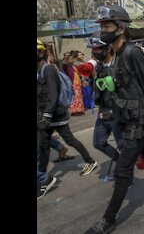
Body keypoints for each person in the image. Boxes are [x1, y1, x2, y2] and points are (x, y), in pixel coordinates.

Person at [85, 5, 144, 234]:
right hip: (129, 120)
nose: (103, 31)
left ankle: (108, 220)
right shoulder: (117, 55)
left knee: (122, 171)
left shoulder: (132, 53)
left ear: (121, 28)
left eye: (107, 26)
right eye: (102, 27)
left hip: (138, 123)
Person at [37, 39, 98, 178]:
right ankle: (42, 176)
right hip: (46, 115)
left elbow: (53, 94)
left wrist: (46, 115)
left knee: (69, 140)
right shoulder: (39, 70)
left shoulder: (48, 70)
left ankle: (90, 161)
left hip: (55, 114)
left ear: (41, 52)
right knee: (43, 145)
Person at [81, 32, 125, 163]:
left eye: (98, 48)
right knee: (98, 143)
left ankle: (126, 173)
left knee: (123, 145)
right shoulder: (98, 67)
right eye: (93, 50)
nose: (95, 52)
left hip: (118, 112)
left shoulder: (120, 64)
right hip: (103, 111)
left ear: (108, 48)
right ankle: (121, 162)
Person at [64, 51, 85, 115]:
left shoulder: (73, 65)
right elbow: (69, 74)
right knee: (75, 97)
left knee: (78, 97)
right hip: (73, 82)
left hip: (77, 82)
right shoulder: (68, 66)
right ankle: (74, 110)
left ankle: (79, 109)